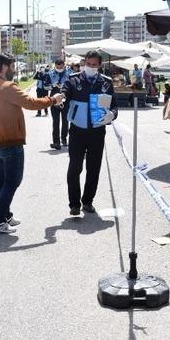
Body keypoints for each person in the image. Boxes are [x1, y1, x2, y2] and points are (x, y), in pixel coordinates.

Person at [0, 54, 64, 233]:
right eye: (13, 66)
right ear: (4, 67)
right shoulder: (8, 87)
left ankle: (6, 215)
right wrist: (53, 99)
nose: (14, 70)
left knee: (2, 180)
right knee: (13, 181)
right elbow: (31, 103)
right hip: (11, 142)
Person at [64, 50, 117, 216]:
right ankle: (74, 204)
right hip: (77, 131)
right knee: (75, 168)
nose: (91, 67)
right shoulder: (73, 79)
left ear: (100, 65)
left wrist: (112, 115)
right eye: (89, 64)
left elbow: (114, 106)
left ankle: (87, 201)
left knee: (93, 169)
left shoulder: (107, 83)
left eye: (94, 65)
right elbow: (65, 93)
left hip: (97, 131)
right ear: (84, 62)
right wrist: (60, 98)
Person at [48, 59, 70, 150]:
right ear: (55, 66)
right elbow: (45, 86)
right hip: (54, 100)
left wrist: (65, 87)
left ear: (64, 65)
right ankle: (56, 142)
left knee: (65, 121)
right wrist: (53, 85)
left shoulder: (69, 73)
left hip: (65, 100)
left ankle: (64, 138)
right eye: (57, 67)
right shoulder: (50, 73)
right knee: (55, 121)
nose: (59, 68)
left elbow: (72, 86)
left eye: (61, 67)